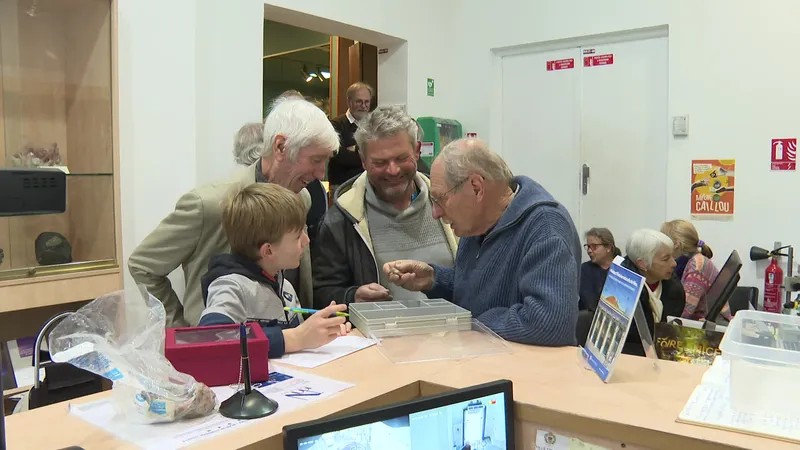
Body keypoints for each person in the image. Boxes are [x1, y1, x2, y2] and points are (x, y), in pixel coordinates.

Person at [128, 97, 339, 327]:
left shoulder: (302, 197)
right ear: (280, 147)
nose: (321, 173)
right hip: (221, 352)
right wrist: (182, 330)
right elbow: (143, 266)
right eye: (316, 160)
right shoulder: (208, 205)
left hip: (287, 352)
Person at [382, 138, 580, 346]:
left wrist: (475, 321)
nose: (435, 212)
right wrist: (434, 279)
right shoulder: (476, 226)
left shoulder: (545, 228)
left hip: (525, 374)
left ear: (477, 188)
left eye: (440, 199)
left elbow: (551, 325)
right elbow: (477, 291)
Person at [312, 105, 458, 307]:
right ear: (363, 160)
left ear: (417, 151)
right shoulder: (341, 220)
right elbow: (322, 292)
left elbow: (477, 280)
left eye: (401, 158)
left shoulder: (453, 204)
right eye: (380, 162)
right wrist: (352, 296)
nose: (393, 170)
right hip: (379, 337)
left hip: (455, 335)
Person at [198, 183, 350, 358]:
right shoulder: (231, 287)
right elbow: (211, 341)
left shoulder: (284, 285)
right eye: (297, 235)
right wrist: (295, 338)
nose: (306, 240)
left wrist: (323, 331)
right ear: (268, 251)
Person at [620, 229, 686, 356]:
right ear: (642, 264)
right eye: (665, 259)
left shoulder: (674, 289)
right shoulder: (621, 290)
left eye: (672, 256)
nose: (674, 263)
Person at [660, 219, 732, 321]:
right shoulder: (690, 261)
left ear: (676, 244)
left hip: (707, 324)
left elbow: (685, 311)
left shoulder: (697, 267)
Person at [327, 82, 374, 189]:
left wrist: (355, 149)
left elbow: (380, 152)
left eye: (367, 102)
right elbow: (338, 155)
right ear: (349, 101)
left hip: (369, 186)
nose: (363, 106)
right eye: (359, 101)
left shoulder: (373, 125)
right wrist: (367, 154)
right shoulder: (335, 125)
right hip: (342, 186)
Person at [579, 227, 621, 312]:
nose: (589, 251)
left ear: (608, 247)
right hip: (589, 320)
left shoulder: (622, 269)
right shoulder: (584, 270)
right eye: (588, 246)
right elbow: (588, 302)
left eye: (594, 246)